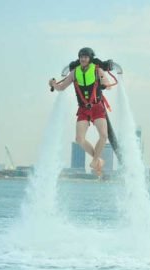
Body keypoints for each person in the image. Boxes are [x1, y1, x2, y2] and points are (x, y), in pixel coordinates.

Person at [49, 47, 112, 176]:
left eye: (86, 57)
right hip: (83, 109)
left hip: (97, 107)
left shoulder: (97, 70)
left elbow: (108, 85)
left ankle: (95, 160)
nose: (83, 59)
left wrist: (103, 83)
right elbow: (61, 87)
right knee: (79, 139)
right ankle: (97, 160)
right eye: (81, 57)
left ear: (90, 58)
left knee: (104, 136)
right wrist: (53, 84)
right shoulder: (74, 73)